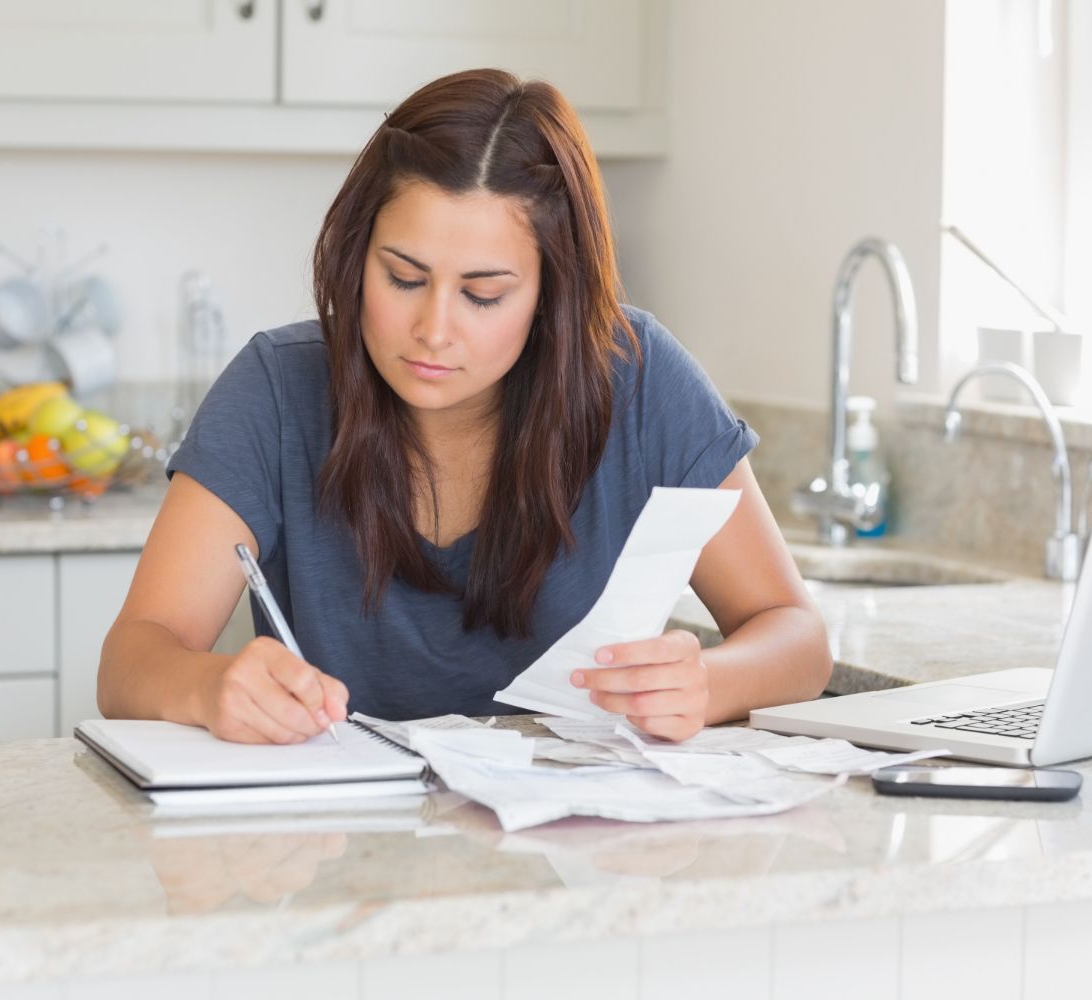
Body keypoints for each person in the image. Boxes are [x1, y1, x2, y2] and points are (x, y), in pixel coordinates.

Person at [98, 68, 831, 745]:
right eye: (404, 277)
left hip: (578, 853)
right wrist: (207, 685)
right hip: (340, 853)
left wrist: (706, 681)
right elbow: (133, 656)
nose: (434, 330)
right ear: (357, 257)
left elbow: (795, 635)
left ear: (552, 292)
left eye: (483, 294)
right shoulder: (276, 390)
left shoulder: (636, 378)